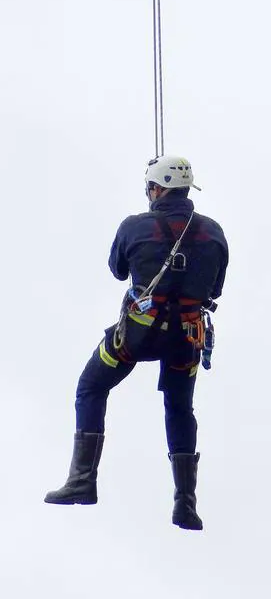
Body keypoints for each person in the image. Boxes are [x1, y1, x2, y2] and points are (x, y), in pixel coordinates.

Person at [45, 155, 228, 531]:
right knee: (179, 408)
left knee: (91, 386)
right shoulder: (214, 233)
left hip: (137, 335)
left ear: (156, 188)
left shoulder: (135, 226)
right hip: (185, 339)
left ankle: (82, 480)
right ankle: (185, 503)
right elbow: (216, 290)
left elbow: (118, 270)